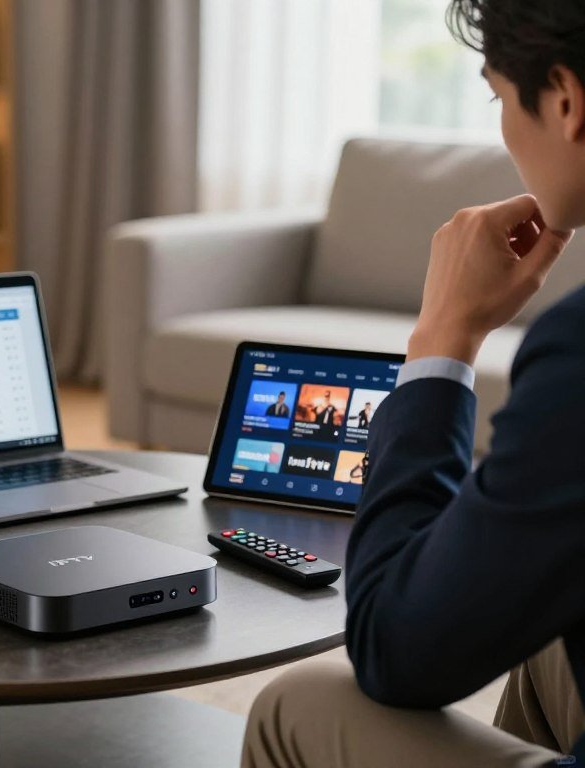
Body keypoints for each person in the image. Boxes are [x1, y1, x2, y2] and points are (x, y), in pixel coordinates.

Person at [242, 1, 585, 766]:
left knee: (295, 703)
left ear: (565, 100)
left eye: (498, 98)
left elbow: (395, 651)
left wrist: (442, 341)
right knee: (550, 616)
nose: (503, 125)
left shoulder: (577, 347)